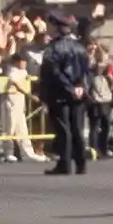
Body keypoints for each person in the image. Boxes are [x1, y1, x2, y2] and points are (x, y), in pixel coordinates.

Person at [38, 13, 90, 175]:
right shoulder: (80, 47)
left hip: (59, 94)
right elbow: (86, 71)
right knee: (77, 129)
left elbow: (53, 72)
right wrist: (80, 86)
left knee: (63, 130)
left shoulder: (53, 49)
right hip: (78, 94)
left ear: (55, 27)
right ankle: (81, 164)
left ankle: (65, 164)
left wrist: (69, 88)